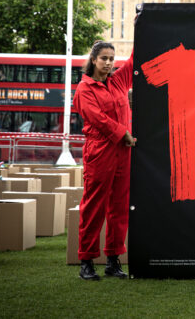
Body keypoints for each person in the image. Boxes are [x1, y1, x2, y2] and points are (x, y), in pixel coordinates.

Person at [73, 40, 135, 280]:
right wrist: (124, 133)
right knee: (94, 206)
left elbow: (132, 61)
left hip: (122, 151)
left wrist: (141, 25)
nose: (109, 63)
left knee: (119, 207)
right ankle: (86, 262)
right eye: (104, 59)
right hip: (100, 150)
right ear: (93, 60)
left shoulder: (118, 81)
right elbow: (97, 119)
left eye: (111, 59)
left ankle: (113, 260)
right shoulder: (84, 89)